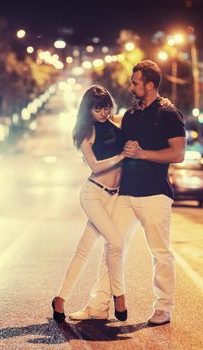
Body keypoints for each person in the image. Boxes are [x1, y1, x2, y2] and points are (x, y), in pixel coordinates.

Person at [69, 60, 186, 326]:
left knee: (160, 252)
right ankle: (98, 305)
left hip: (155, 194)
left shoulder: (169, 114)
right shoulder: (130, 116)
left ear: (150, 85)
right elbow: (104, 125)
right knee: (113, 247)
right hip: (126, 194)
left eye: (135, 82)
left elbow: (178, 154)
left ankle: (163, 307)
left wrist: (143, 153)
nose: (131, 86)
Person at [51, 85, 128, 322]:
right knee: (116, 241)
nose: (103, 112)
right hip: (93, 194)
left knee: (84, 249)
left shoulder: (115, 122)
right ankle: (120, 295)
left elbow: (133, 120)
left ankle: (60, 300)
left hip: (114, 196)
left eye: (105, 107)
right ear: (88, 110)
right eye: (97, 109)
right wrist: (122, 156)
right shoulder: (87, 132)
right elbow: (95, 165)